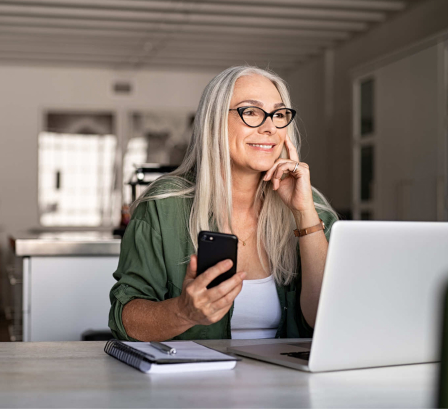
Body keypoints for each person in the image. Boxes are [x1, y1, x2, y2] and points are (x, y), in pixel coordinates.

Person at [108, 66, 338, 342]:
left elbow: (329, 318)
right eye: (250, 112)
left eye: (278, 115)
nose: (269, 128)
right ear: (214, 122)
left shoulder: (312, 207)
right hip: (194, 381)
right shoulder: (165, 205)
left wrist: (304, 214)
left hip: (290, 383)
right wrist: (183, 312)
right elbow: (126, 320)